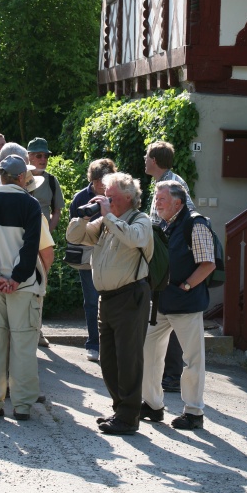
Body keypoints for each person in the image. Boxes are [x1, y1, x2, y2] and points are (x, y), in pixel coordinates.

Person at [66, 172, 153, 435]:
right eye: (105, 195)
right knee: (109, 360)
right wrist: (83, 215)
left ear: (128, 198)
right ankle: (119, 410)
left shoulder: (140, 220)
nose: (106, 200)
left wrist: (109, 216)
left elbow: (134, 239)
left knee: (129, 359)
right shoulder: (105, 221)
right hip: (107, 298)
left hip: (131, 296)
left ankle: (129, 417)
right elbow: (75, 237)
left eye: (111, 196)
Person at [0, 155, 54, 421]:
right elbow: (30, 246)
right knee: (23, 344)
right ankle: (22, 404)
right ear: (20, 178)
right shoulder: (30, 204)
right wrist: (16, 277)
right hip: (24, 285)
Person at [140, 180, 215, 431]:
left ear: (178, 202)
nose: (157, 203)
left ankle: (194, 412)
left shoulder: (196, 223)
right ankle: (152, 405)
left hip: (186, 303)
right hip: (162, 302)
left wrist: (187, 286)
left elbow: (208, 264)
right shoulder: (164, 224)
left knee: (193, 360)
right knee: (149, 353)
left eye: (161, 199)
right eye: (156, 198)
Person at [145, 140, 195, 393]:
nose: (144, 161)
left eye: (146, 157)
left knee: (171, 317)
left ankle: (173, 376)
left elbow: (188, 217)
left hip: (169, 256)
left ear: (154, 160)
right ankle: (166, 374)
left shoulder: (174, 184)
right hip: (162, 254)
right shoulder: (164, 182)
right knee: (161, 315)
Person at [69, 158, 117, 362]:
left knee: (112, 300)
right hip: (88, 257)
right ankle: (93, 344)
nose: (100, 185)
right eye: (97, 180)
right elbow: (73, 229)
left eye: (103, 180)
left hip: (112, 255)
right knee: (91, 301)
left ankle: (111, 344)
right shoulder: (81, 197)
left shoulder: (116, 195)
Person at [27, 137, 64, 348]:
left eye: (46, 156)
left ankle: (37, 329)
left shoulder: (51, 180)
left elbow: (57, 210)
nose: (43, 159)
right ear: (29, 157)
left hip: (42, 241)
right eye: (39, 155)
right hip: (23, 238)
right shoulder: (21, 177)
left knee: (41, 284)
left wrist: (47, 232)